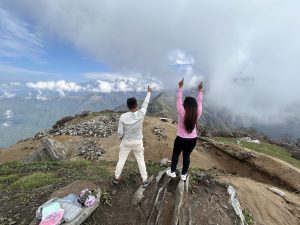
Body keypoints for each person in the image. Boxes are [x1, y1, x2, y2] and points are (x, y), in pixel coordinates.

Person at [113, 85, 153, 187]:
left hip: (126, 142)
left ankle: (116, 178)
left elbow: (120, 132)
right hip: (138, 142)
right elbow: (146, 103)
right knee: (140, 160)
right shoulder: (141, 113)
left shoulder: (123, 117)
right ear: (136, 105)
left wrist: (121, 138)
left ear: (127, 106)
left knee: (121, 160)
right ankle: (144, 180)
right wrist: (149, 92)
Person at [166, 78, 203, 181]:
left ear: (185, 104)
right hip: (193, 139)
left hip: (181, 138)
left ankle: (172, 172)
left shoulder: (181, 111)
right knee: (186, 156)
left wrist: (180, 87)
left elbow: (178, 99)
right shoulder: (198, 113)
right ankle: (183, 175)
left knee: (176, 154)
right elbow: (200, 102)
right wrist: (200, 91)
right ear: (195, 106)